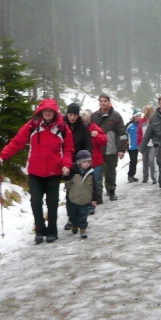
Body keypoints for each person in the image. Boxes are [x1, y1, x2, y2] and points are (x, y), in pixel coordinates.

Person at [0, 98, 74, 244]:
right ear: (41, 112)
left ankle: (52, 231)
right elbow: (17, 142)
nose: (48, 113)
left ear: (55, 112)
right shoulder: (32, 126)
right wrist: (3, 156)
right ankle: (39, 230)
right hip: (35, 171)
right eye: (45, 110)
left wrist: (66, 165)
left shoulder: (63, 129)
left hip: (54, 172)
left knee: (52, 203)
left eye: (50, 111)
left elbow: (68, 150)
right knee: (35, 201)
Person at [90, 93, 127, 201]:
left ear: (109, 102)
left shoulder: (116, 116)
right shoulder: (94, 116)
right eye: (101, 101)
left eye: (105, 101)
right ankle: (98, 195)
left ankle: (111, 191)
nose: (103, 103)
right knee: (97, 174)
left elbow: (122, 133)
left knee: (110, 173)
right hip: (97, 150)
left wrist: (121, 149)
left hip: (111, 149)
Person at [63, 102, 93, 231]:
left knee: (80, 191)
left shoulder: (83, 128)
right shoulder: (62, 126)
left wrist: (84, 161)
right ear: (67, 114)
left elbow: (88, 145)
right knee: (69, 191)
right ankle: (71, 217)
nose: (72, 117)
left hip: (80, 164)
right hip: (67, 164)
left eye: (75, 115)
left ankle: (80, 218)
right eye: (70, 114)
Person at [139, 95, 161, 195]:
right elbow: (148, 133)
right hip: (158, 144)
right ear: (159, 104)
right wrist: (142, 147)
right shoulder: (153, 118)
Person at [62, 150, 98, 239]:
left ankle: (83, 229)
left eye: (88, 162)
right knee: (72, 214)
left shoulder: (91, 173)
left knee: (83, 214)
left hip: (85, 198)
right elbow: (66, 181)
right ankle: (74, 223)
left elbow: (94, 186)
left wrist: (94, 199)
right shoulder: (73, 171)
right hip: (73, 198)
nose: (86, 164)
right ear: (79, 162)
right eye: (84, 162)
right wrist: (66, 175)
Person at [80, 110, 107, 214]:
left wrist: (97, 136)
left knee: (96, 181)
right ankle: (88, 202)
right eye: (83, 122)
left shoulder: (94, 128)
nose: (84, 124)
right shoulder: (78, 130)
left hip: (96, 160)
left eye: (86, 122)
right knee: (85, 184)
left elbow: (104, 141)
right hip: (83, 162)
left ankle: (96, 199)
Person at [137, 104, 157, 184]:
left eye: (145, 110)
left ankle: (154, 178)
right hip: (145, 143)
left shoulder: (155, 119)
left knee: (151, 161)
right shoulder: (142, 121)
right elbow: (139, 132)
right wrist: (139, 143)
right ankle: (145, 177)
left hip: (153, 143)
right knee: (145, 161)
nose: (144, 112)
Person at [126, 109, 142, 182]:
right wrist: (125, 142)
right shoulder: (129, 125)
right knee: (133, 160)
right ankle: (130, 175)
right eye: (138, 116)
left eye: (140, 116)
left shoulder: (140, 125)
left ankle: (132, 175)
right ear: (134, 117)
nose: (140, 117)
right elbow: (124, 134)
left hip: (137, 146)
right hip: (130, 146)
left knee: (134, 161)